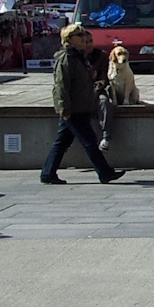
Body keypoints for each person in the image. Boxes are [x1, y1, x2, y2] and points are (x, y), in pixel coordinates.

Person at [41, 24, 124, 186]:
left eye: (83, 35)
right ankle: (105, 172)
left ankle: (47, 173)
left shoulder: (80, 57)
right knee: (89, 141)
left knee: (62, 142)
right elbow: (61, 86)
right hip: (74, 108)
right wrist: (64, 108)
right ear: (69, 39)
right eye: (79, 35)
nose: (83, 38)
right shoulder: (66, 58)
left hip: (81, 106)